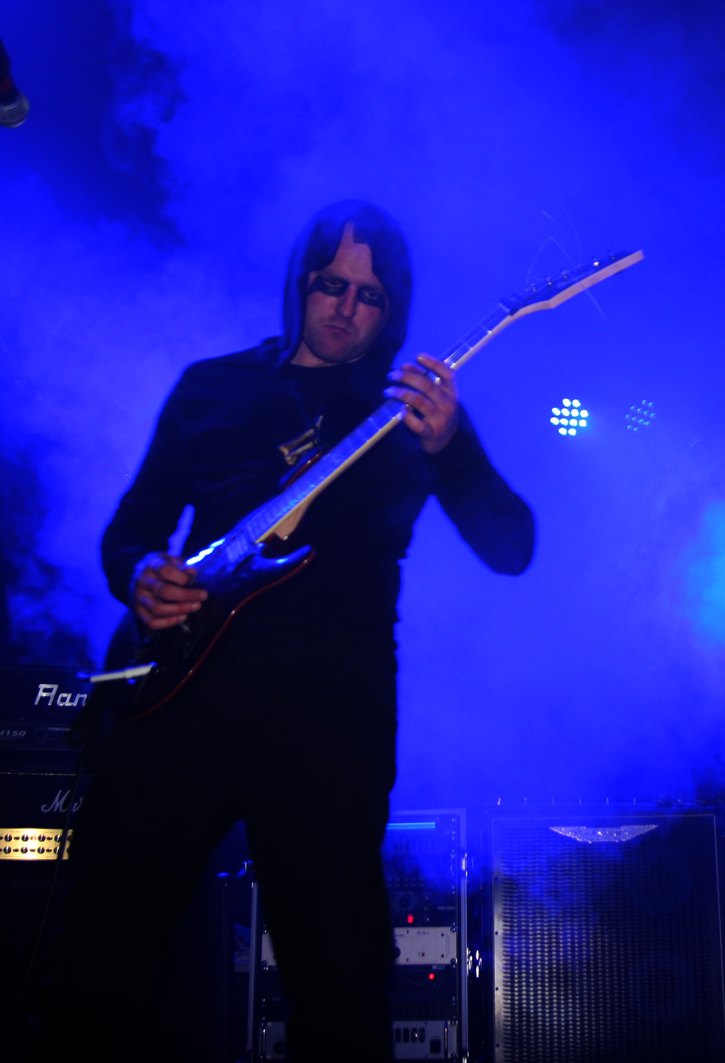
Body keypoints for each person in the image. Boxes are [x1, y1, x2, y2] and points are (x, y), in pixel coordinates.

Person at [31, 200, 534, 1061]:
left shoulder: (410, 412)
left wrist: (451, 445)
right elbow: (132, 527)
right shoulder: (212, 387)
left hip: (328, 723)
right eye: (331, 284)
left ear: (394, 309)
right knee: (100, 959)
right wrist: (142, 575)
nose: (345, 307)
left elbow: (511, 546)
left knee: (338, 980)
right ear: (300, 283)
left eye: (370, 296)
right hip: (179, 702)